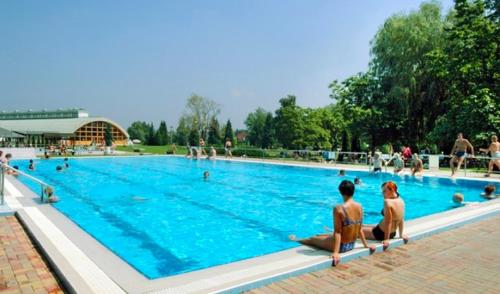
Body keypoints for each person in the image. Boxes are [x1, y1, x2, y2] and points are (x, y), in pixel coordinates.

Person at [289, 180, 375, 266]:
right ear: (353, 191)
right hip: (351, 244)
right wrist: (366, 245)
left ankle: (296, 239)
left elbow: (338, 232)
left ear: (340, 192)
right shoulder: (359, 206)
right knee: (321, 235)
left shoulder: (339, 208)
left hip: (342, 247)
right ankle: (320, 236)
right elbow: (359, 229)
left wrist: (336, 253)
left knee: (312, 239)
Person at [362, 181, 408, 249]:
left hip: (380, 233)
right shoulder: (401, 200)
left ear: (392, 190)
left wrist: (386, 239)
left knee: (356, 230)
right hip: (392, 233)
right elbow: (401, 219)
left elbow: (388, 222)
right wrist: (401, 235)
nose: (382, 194)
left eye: (384, 191)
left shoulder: (387, 202)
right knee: (363, 225)